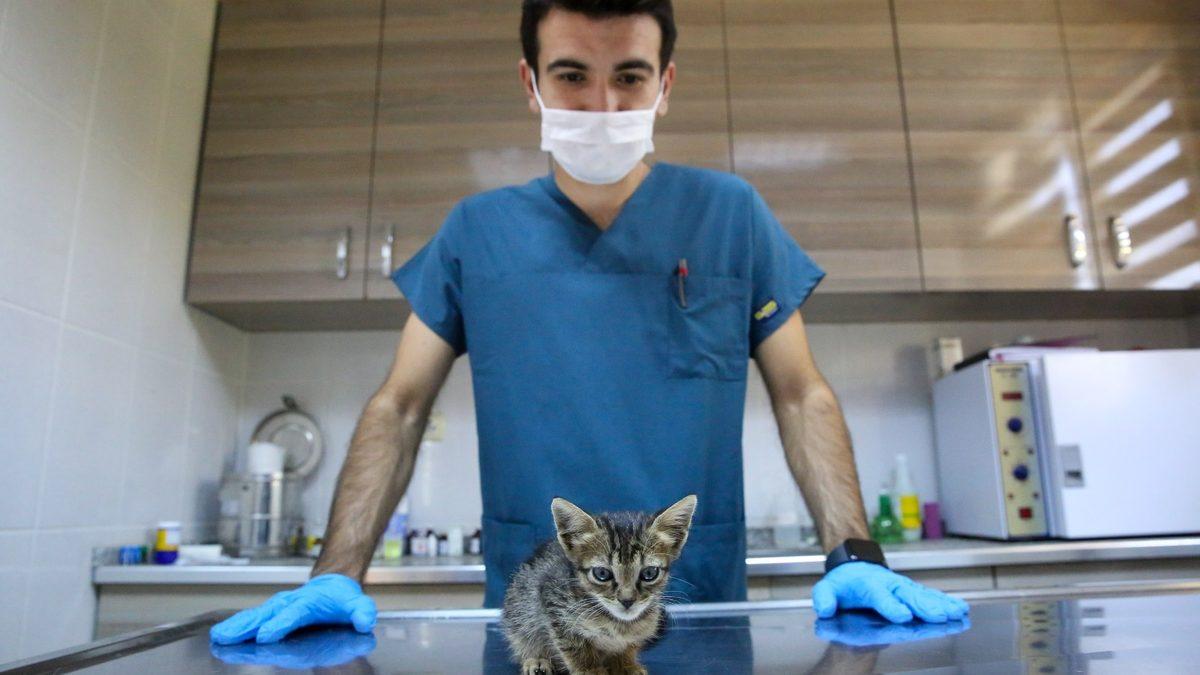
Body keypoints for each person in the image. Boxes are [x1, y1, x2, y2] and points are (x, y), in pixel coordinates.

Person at [210, 0, 967, 646]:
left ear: (664, 86)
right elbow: (400, 407)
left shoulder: (730, 215)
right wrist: (336, 572)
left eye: (629, 77)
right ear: (531, 85)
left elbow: (802, 395)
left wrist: (855, 554)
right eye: (572, 76)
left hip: (696, 617)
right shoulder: (476, 232)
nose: (602, 107)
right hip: (537, 629)